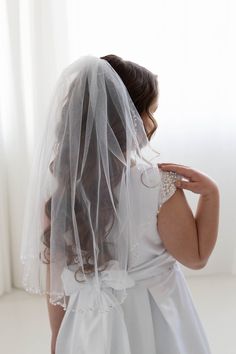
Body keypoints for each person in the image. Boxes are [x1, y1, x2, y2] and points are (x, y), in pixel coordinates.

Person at [20, 54, 220, 354]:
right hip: (156, 319)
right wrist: (211, 195)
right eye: (149, 112)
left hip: (88, 329)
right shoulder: (157, 184)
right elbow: (196, 257)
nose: (154, 123)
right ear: (124, 117)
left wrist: (57, 339)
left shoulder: (60, 198)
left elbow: (57, 289)